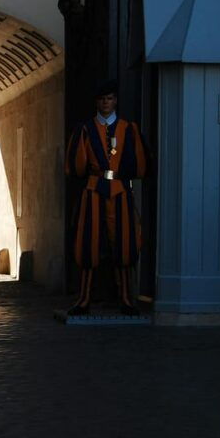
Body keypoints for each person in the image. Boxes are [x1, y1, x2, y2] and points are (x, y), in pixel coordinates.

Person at [65, 80, 148, 316]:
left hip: (120, 189)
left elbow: (139, 166)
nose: (105, 103)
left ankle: (126, 299)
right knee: (87, 244)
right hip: (93, 189)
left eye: (110, 98)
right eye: (102, 99)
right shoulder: (85, 129)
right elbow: (76, 167)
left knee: (124, 244)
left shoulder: (128, 129)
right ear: (96, 102)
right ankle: (84, 300)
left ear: (115, 101)